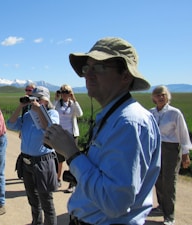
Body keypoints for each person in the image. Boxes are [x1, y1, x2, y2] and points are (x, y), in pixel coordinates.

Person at [44, 37, 161, 225]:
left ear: (125, 76)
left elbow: (115, 202)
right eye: (86, 68)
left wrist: (72, 154)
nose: (88, 75)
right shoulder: (112, 116)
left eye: (99, 67)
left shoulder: (128, 124)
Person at [7, 86, 59, 225]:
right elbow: (10, 124)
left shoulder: (53, 113)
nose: (35, 101)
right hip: (26, 161)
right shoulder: (27, 115)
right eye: (33, 98)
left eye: (39, 99)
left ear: (46, 101)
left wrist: (39, 110)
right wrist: (20, 106)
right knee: (33, 199)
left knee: (46, 201)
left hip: (43, 161)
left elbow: (49, 128)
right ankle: (36, 222)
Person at [149, 85, 192, 225]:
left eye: (163, 95)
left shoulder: (175, 113)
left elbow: (183, 134)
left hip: (171, 149)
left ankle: (169, 216)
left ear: (168, 97)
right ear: (153, 98)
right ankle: (161, 207)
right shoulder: (151, 113)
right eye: (158, 95)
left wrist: (186, 153)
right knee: (158, 179)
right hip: (156, 148)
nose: (161, 97)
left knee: (169, 181)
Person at [54, 84, 83, 193]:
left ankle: (72, 183)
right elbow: (52, 111)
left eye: (67, 92)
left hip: (72, 135)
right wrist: (56, 99)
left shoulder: (72, 104)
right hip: (61, 135)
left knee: (72, 160)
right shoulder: (58, 104)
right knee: (59, 159)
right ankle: (57, 179)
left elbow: (80, 114)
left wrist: (74, 100)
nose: (65, 94)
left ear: (70, 93)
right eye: (63, 92)